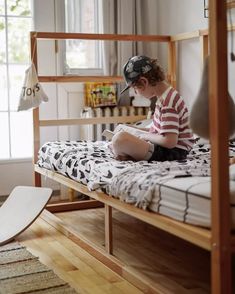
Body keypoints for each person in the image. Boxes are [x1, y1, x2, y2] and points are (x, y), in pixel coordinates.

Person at [111, 55, 195, 161]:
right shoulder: (165, 97)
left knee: (120, 139)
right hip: (166, 148)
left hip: (173, 152)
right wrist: (133, 130)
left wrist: (142, 135)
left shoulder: (168, 102)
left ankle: (126, 152)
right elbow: (157, 132)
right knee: (122, 137)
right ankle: (126, 152)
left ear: (144, 82)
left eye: (135, 88)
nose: (136, 92)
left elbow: (170, 141)